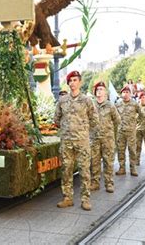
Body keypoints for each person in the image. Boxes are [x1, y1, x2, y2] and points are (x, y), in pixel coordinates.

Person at [54, 71, 99, 211]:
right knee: (66, 170)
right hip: (67, 142)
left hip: (82, 142)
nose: (72, 83)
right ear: (68, 83)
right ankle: (67, 197)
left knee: (84, 170)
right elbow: (56, 119)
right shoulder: (62, 101)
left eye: (75, 80)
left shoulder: (87, 101)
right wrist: (67, 130)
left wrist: (83, 131)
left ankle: (85, 199)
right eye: (70, 81)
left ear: (80, 82)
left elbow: (94, 119)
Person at [90, 81, 121, 193]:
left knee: (108, 161)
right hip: (94, 138)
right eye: (97, 89)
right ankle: (95, 183)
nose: (99, 91)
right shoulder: (91, 105)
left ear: (105, 92)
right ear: (94, 92)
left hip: (107, 139)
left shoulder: (110, 105)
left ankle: (109, 183)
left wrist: (112, 135)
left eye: (101, 89)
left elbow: (117, 121)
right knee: (95, 161)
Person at [116, 85, 143, 176]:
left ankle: (133, 169)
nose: (125, 94)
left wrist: (136, 122)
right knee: (120, 150)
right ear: (121, 94)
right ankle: (122, 168)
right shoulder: (117, 104)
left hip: (131, 132)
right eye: (124, 92)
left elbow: (141, 115)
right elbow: (113, 117)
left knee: (132, 150)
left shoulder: (135, 104)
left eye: (127, 92)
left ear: (130, 94)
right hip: (120, 132)